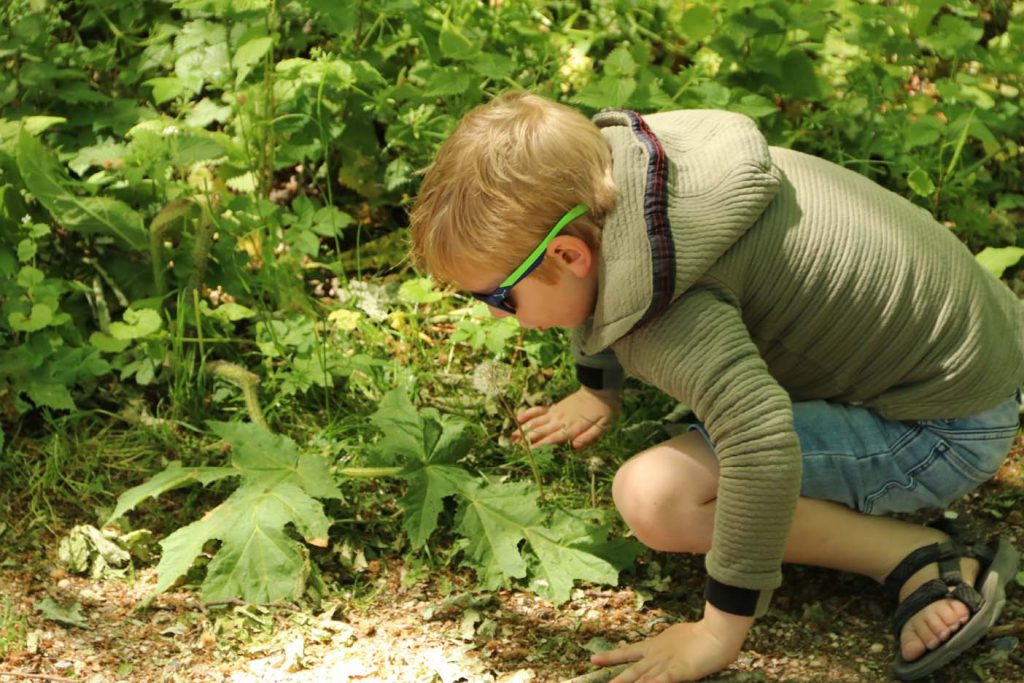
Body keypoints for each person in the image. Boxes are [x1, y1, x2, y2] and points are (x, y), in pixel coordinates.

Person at [409, 90, 1023, 682]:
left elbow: (759, 446)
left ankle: (910, 554)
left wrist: (716, 633)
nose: (492, 313)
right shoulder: (648, 170)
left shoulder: (672, 314)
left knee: (655, 497)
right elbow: (617, 285)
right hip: (986, 343)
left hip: (946, 427)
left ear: (569, 255)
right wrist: (597, 389)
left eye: (496, 295)